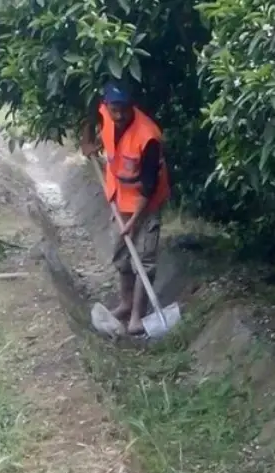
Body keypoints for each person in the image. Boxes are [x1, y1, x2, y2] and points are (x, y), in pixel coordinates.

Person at [79, 81, 170, 334]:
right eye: (114, 109)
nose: (118, 116)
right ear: (107, 105)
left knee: (144, 259)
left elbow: (148, 186)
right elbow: (87, 118)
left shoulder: (148, 136)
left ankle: (137, 318)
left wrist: (134, 222)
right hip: (119, 199)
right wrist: (87, 143)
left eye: (124, 110)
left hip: (145, 203)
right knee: (121, 256)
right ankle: (126, 303)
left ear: (133, 106)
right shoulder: (105, 112)